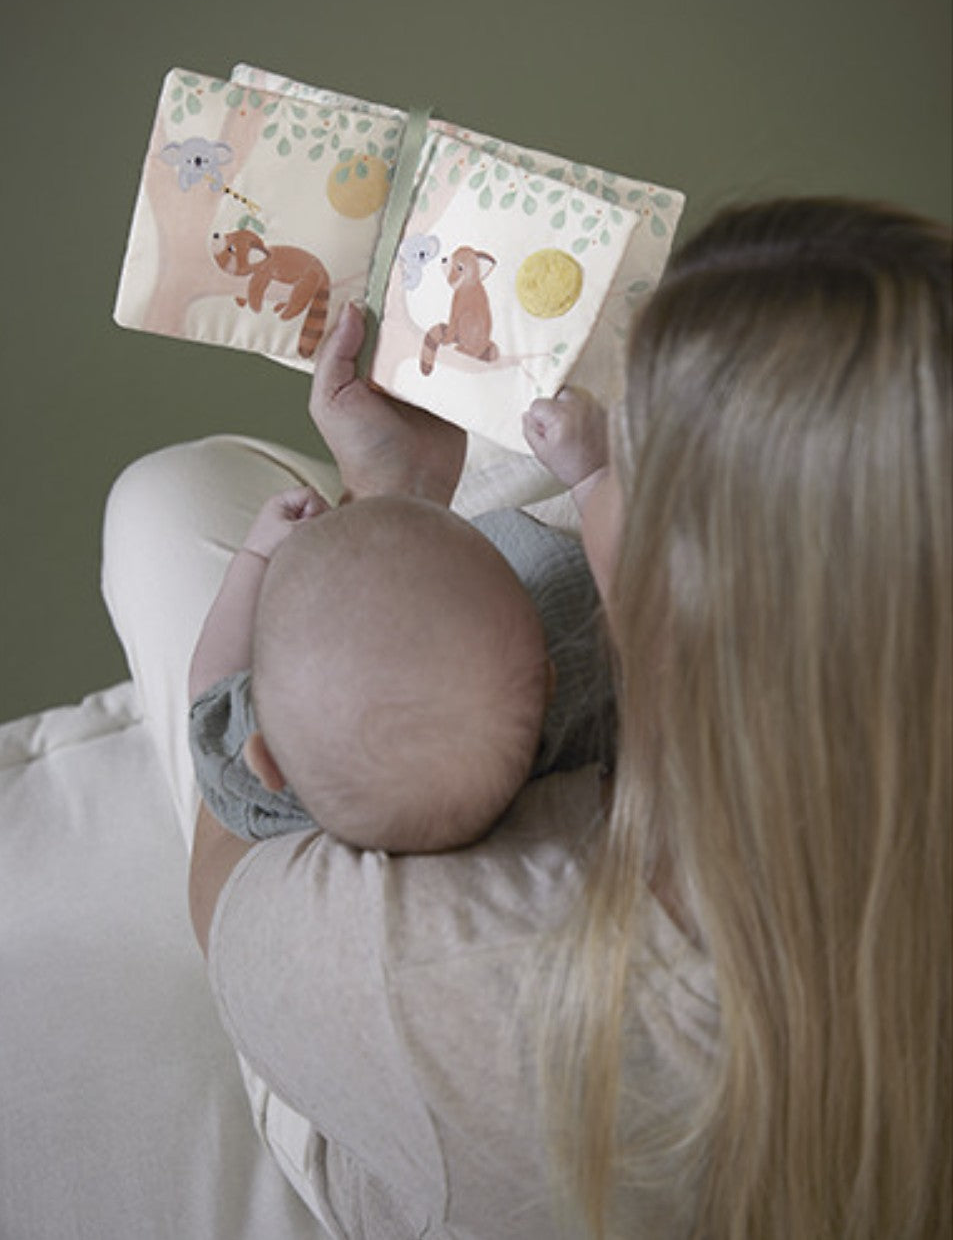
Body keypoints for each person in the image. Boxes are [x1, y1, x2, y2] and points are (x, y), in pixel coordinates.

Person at [103, 197, 950, 1239]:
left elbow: (234, 860)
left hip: (435, 1080)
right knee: (519, 468)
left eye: (636, 466)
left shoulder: (432, 971)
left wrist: (386, 496)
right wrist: (513, 489)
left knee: (166, 498)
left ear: (676, 607)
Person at [187, 473, 613, 852]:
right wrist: (591, 477)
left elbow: (211, 692)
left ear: (268, 762)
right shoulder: (579, 669)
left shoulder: (286, 767)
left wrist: (257, 557)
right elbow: (640, 593)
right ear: (548, 682)